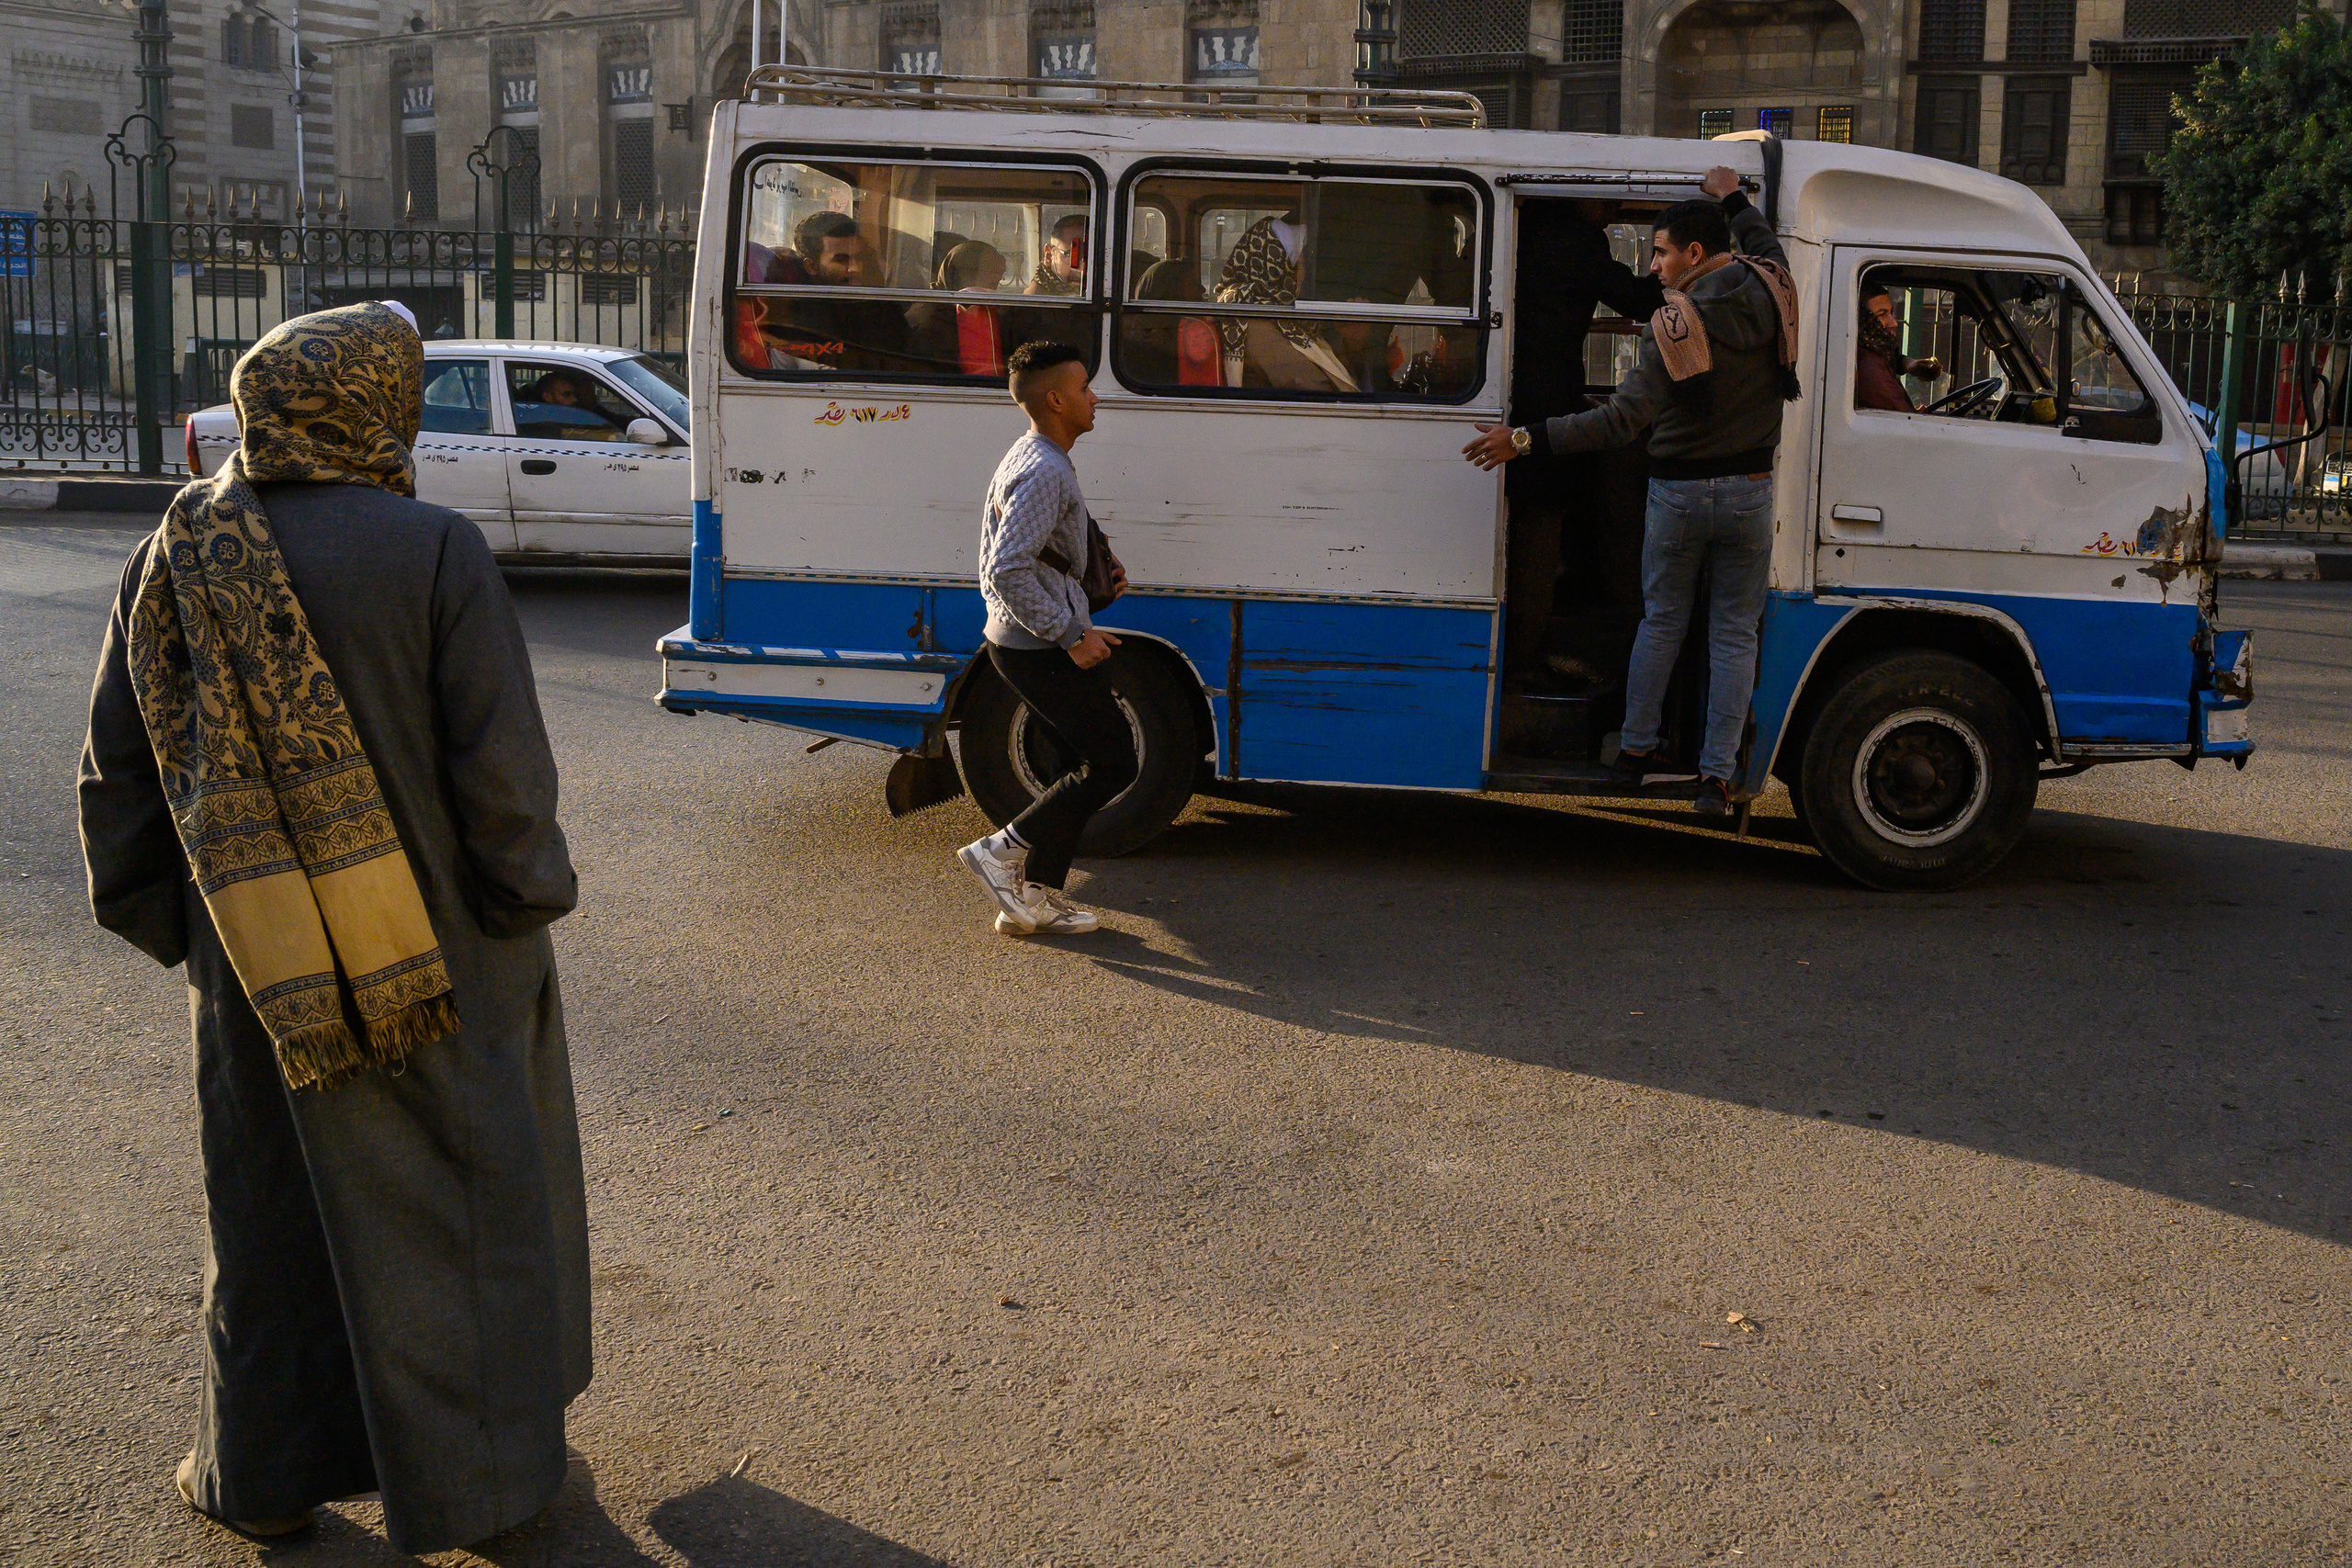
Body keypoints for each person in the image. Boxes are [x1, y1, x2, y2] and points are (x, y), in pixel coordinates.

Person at [77, 301, 590, 1552]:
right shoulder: (431, 549)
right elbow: (504, 785)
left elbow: (117, 784)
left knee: (269, 1222)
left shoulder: (174, 552)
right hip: (445, 956)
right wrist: (522, 908)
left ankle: (259, 1479)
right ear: (373, 405)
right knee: (458, 1219)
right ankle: (483, 1492)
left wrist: (211, 942)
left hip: (259, 969)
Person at [1463, 167, 1802, 816]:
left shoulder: (1672, 328)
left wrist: (1524, 439)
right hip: (1751, 491)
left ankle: (1637, 751)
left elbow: (1618, 422)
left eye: (1662, 252)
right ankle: (1715, 775)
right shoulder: (1773, 289)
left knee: (1663, 623)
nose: (1654, 268)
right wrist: (1733, 197)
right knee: (1734, 636)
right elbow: (1765, 245)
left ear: (1694, 256)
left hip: (1679, 495)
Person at [956, 340, 1133, 937]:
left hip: (1033, 638)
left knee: (1076, 764)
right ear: (1056, 398)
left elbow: (1035, 557)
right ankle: (999, 852)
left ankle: (1033, 896)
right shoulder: (1042, 469)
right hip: (1034, 645)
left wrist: (1086, 591)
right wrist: (1068, 632)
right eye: (1085, 387)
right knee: (1112, 761)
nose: (1094, 397)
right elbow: (1006, 567)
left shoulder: (1040, 456)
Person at [1504, 198, 1669, 689]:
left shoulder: (1524, 229)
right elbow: (1639, 301)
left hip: (1519, 396)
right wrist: (1685, 275)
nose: (1614, 206)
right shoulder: (1572, 240)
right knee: (1540, 527)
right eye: (1607, 198)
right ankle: (1525, 661)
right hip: (1544, 403)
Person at [740, 211, 908, 372]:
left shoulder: (879, 309)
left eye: (860, 258)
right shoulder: (793, 320)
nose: (855, 269)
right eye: (841, 260)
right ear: (811, 266)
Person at [1213, 215, 1356, 393]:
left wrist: (1354, 342)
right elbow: (1314, 386)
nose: (1303, 275)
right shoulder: (1252, 318)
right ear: (1280, 267)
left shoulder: (1274, 308)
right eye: (1300, 264)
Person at [1855, 281, 1941, 412]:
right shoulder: (1871, 368)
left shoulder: (1867, 355)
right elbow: (1908, 423)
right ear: (1862, 320)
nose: (1894, 323)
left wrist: (1908, 364)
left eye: (1891, 313)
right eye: (1882, 315)